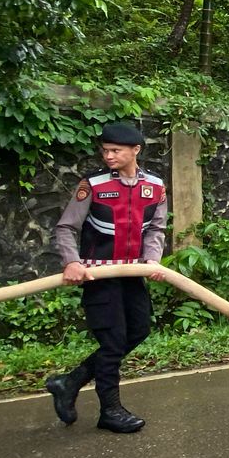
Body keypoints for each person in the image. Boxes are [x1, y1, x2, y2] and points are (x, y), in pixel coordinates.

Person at [45, 121, 168, 434]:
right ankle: (110, 411)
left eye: (115, 150)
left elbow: (156, 228)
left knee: (138, 330)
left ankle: (69, 382)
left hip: (132, 274)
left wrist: (152, 260)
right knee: (113, 342)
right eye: (105, 150)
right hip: (99, 274)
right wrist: (72, 262)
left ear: (135, 150)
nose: (108, 156)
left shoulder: (154, 186)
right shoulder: (94, 184)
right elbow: (66, 227)